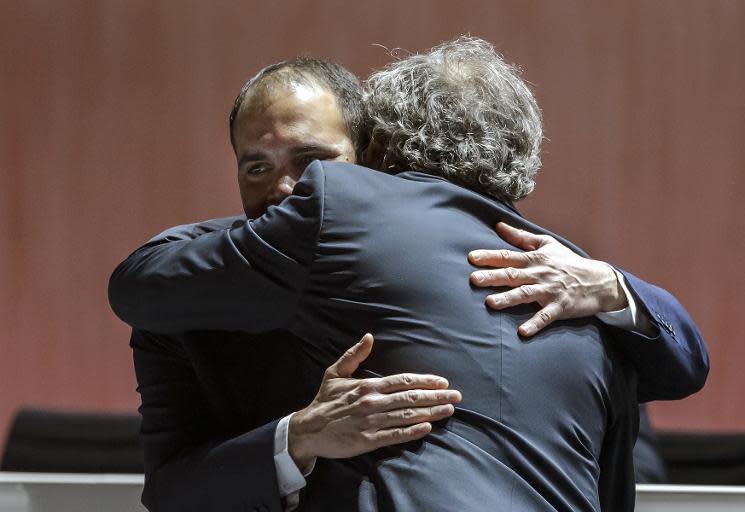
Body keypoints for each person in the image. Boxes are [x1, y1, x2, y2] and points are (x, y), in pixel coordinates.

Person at [110, 42, 707, 511]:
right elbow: (172, 489)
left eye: (313, 164)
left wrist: (615, 286)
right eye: (258, 166)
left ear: (372, 155)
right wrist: (294, 439)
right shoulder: (579, 288)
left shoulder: (576, 286)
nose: (287, 190)